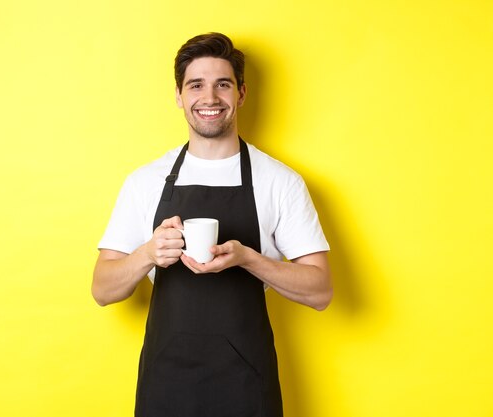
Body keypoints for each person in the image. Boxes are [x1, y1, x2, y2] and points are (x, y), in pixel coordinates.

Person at [92, 32, 332, 417]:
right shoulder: (145, 181)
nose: (209, 98)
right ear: (178, 96)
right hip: (165, 384)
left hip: (246, 386)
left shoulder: (279, 181)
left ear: (241, 94)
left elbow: (320, 291)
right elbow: (103, 290)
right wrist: (147, 253)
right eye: (196, 85)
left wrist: (249, 259)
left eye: (223, 84)